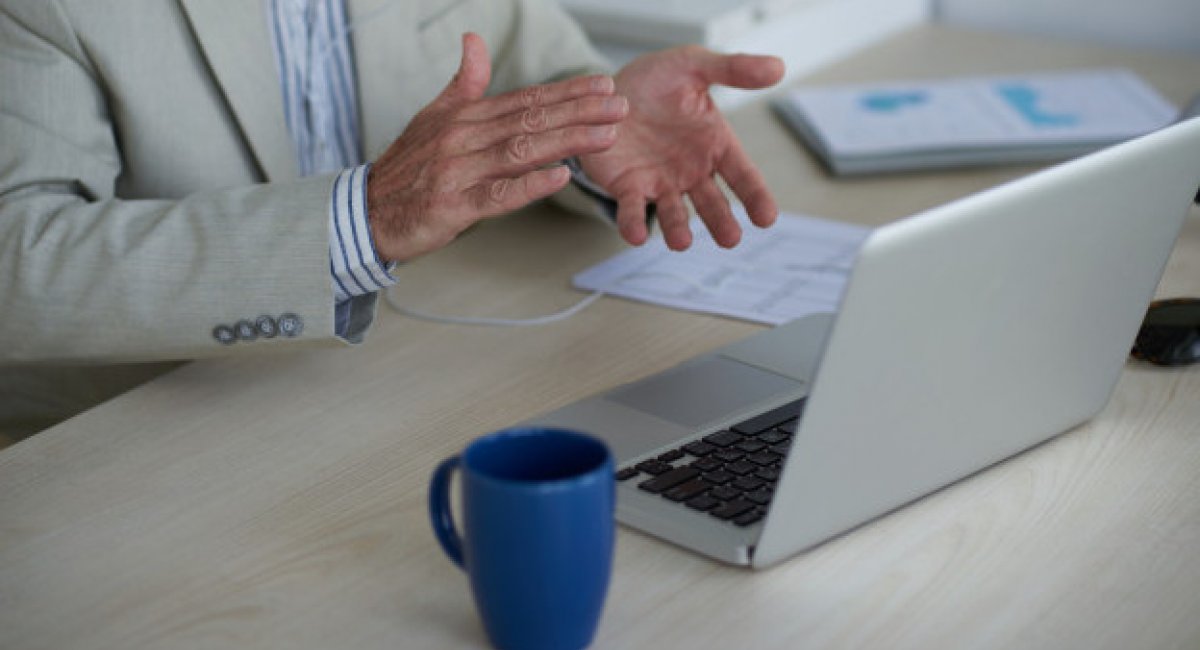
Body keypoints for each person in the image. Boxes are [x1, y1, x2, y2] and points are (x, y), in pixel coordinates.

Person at [0, 0, 784, 440]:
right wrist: (359, 222)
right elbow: (15, 260)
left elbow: (535, 62)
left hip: (415, 391)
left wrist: (598, 124)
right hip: (142, 440)